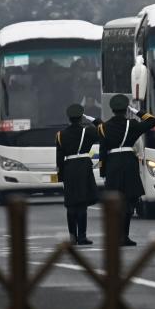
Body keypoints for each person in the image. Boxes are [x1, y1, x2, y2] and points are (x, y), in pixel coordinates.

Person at [98, 94, 155, 246]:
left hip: (112, 165)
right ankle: (124, 236)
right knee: (128, 202)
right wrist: (137, 111)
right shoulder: (131, 124)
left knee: (115, 202)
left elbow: (102, 151)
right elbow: (153, 121)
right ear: (126, 110)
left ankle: (115, 235)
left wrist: (103, 172)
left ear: (112, 110)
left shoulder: (103, 128)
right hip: (129, 164)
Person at [56, 104, 102, 246]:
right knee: (82, 204)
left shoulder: (60, 135)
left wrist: (61, 177)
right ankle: (82, 236)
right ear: (81, 117)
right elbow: (103, 129)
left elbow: (59, 159)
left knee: (71, 205)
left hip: (69, 168)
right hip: (83, 167)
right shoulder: (87, 132)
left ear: (68, 118)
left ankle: (72, 236)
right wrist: (93, 119)